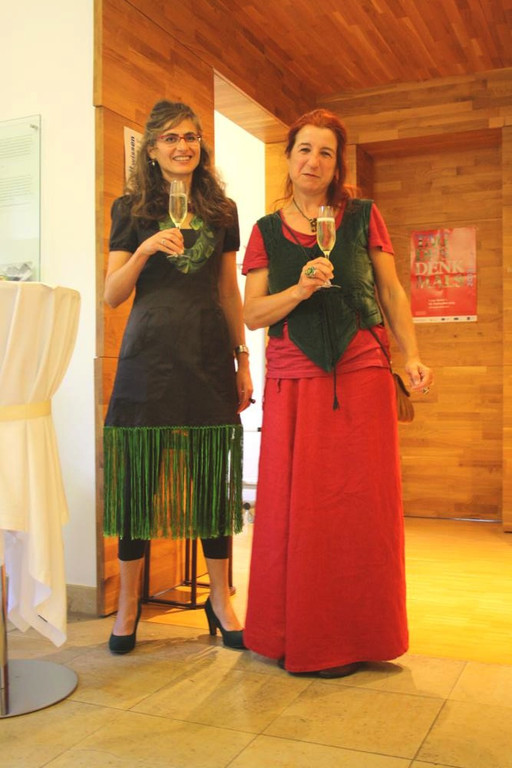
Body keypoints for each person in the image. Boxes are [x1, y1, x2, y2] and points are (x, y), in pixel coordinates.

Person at [242, 108, 433, 678]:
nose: (314, 161)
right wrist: (299, 291)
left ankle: (360, 636)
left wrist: (412, 354)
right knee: (300, 509)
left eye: (325, 152)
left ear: (336, 163)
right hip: (294, 377)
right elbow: (253, 314)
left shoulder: (364, 216)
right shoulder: (265, 230)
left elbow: (391, 291)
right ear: (288, 157)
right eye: (304, 149)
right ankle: (300, 634)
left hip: (362, 369)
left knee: (359, 507)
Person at [103, 100, 253, 654]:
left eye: (190, 137)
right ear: (151, 149)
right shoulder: (131, 209)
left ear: (200, 146)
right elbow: (112, 294)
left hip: (208, 356)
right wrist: (144, 248)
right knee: (137, 484)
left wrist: (242, 358)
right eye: (169, 138)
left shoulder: (222, 210)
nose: (182, 146)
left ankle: (221, 600)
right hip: (147, 357)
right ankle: (128, 607)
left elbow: (228, 291)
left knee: (211, 481)